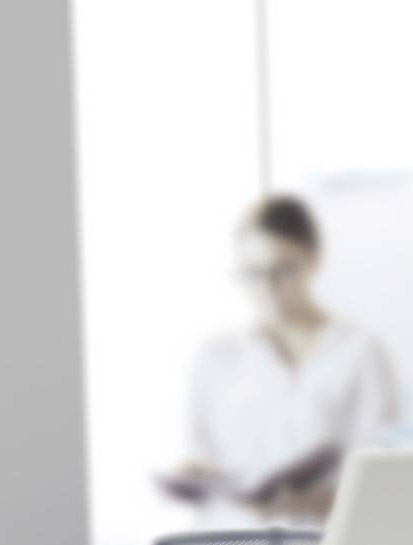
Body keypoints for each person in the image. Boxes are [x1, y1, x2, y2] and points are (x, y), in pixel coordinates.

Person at [160, 194, 398, 523]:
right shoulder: (216, 357)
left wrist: (295, 503)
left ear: (314, 258)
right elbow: (199, 451)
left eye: (282, 271)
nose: (268, 288)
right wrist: (195, 474)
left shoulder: (360, 352)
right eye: (252, 274)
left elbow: (376, 481)